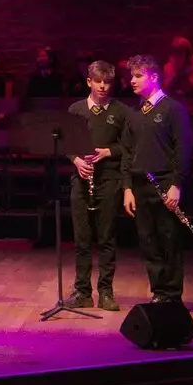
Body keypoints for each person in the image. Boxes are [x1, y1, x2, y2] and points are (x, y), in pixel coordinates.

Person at [121, 54, 193, 304]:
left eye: (138, 75)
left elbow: (182, 149)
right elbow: (127, 153)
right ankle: (158, 292)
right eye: (132, 76)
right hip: (140, 186)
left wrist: (176, 184)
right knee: (148, 240)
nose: (132, 80)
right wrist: (128, 188)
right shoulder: (135, 113)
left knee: (169, 239)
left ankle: (172, 294)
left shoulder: (173, 109)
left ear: (153, 77)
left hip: (164, 184)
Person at [66, 60, 130, 311]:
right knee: (82, 240)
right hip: (81, 181)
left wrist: (108, 152)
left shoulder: (121, 111)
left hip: (109, 181)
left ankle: (105, 291)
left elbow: (128, 147)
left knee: (106, 239)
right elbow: (67, 144)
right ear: (89, 82)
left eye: (108, 83)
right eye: (98, 82)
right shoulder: (75, 109)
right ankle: (82, 291)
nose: (103, 87)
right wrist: (76, 160)